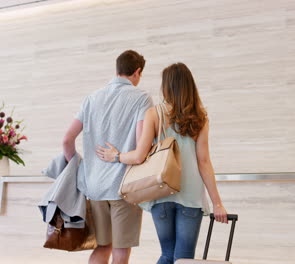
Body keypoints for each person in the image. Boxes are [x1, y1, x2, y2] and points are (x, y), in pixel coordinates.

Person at [96, 62, 228, 264]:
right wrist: (217, 203)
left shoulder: (154, 114)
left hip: (161, 190)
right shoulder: (199, 118)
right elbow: (204, 162)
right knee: (183, 258)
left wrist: (116, 156)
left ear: (166, 86)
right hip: (190, 195)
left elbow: (139, 156)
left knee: (167, 254)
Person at [62, 50, 153, 264]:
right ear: (137, 72)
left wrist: (82, 169)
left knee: (103, 247)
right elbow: (142, 148)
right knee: (121, 251)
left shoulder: (92, 99)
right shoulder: (141, 98)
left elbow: (67, 140)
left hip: (94, 188)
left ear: (117, 69)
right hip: (124, 188)